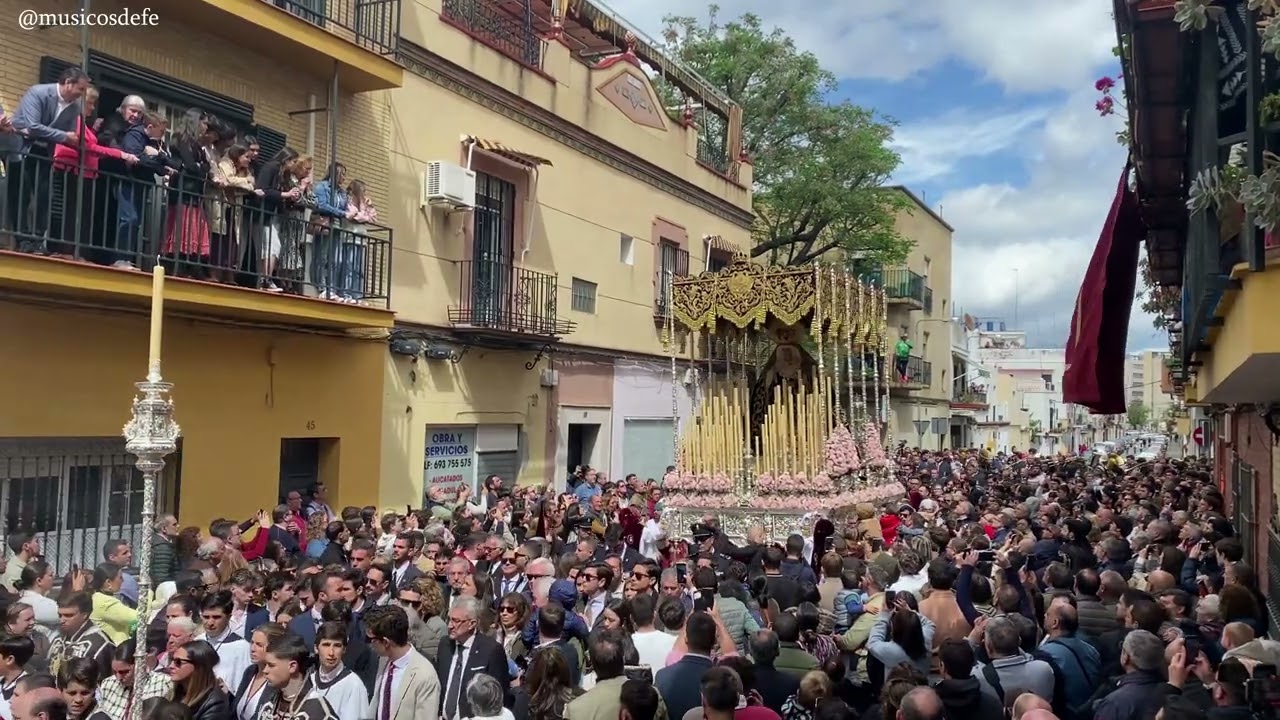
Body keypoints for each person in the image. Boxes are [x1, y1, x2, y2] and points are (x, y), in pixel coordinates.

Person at [365, 605, 441, 720]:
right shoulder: (383, 661)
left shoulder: (425, 675)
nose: (370, 644)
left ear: (386, 642)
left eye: (372, 640)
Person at [260, 633, 339, 720]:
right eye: (265, 664)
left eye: (271, 665)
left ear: (292, 666)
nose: (265, 670)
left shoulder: (316, 710)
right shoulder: (270, 702)